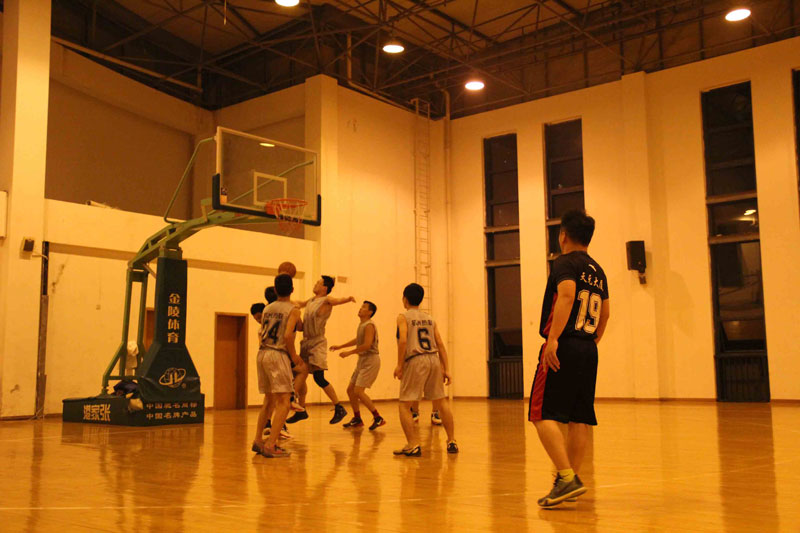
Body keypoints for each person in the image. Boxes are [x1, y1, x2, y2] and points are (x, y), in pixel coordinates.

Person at [528, 209, 610, 507]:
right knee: (579, 418)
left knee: (540, 414)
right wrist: (592, 341)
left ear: (563, 235)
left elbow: (566, 294)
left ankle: (565, 478)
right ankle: (570, 481)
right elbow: (606, 313)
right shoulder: (598, 270)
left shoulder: (564, 262)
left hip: (564, 345)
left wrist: (553, 339)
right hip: (588, 348)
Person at [392, 283, 457, 456]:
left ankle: (413, 444)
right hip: (433, 359)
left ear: (405, 299)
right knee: (441, 402)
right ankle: (451, 440)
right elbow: (440, 344)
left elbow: (403, 341)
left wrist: (399, 365)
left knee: (404, 405)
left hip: (416, 359)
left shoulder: (403, 317)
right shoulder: (430, 318)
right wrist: (446, 368)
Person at [287, 275, 355, 425]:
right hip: (306, 342)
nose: (315, 284)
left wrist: (348, 298)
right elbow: (299, 303)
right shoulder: (311, 300)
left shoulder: (327, 300)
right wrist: (284, 299)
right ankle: (301, 410)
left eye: (318, 283)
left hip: (317, 343)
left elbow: (337, 300)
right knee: (300, 374)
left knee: (319, 377)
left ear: (324, 288)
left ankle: (339, 407)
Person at [251, 274, 306, 458]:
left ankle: (258, 440)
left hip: (262, 353)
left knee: (268, 400)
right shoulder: (293, 309)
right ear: (292, 290)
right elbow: (289, 335)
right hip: (277, 354)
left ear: (275, 290)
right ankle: (271, 444)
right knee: (284, 401)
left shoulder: (267, 308)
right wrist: (294, 356)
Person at [330, 301, 385, 431]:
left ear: (370, 312)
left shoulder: (369, 325)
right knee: (350, 390)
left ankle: (378, 418)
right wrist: (340, 346)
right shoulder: (362, 324)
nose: (360, 308)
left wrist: (349, 353)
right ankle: (357, 419)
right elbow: (358, 340)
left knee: (359, 391)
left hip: (370, 360)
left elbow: (367, 345)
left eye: (364, 307)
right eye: (361, 306)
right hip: (362, 360)